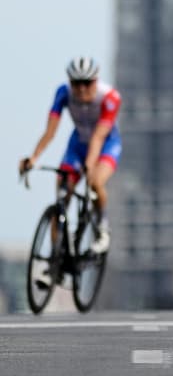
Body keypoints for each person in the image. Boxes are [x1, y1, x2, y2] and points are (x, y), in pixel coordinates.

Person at [18, 57, 122, 255]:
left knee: (95, 182)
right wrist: (33, 158)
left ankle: (102, 228)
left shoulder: (110, 97)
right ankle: (56, 256)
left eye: (87, 83)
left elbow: (98, 138)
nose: (81, 89)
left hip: (106, 145)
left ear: (96, 81)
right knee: (62, 194)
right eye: (76, 83)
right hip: (77, 144)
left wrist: (90, 165)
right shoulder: (63, 93)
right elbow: (50, 132)